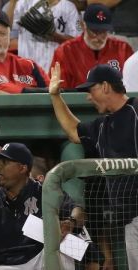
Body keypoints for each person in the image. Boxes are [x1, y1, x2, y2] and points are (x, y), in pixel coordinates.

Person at [49, 62, 138, 269]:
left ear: (105, 86)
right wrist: (55, 96)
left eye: (91, 90)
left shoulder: (136, 110)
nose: (88, 96)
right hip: (130, 220)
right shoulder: (102, 126)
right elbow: (73, 131)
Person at [50, 4, 133, 90]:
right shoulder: (65, 51)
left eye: (103, 31)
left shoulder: (123, 49)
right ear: (83, 25)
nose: (98, 37)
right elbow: (58, 90)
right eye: (94, 31)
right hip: (76, 102)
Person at [11, 0, 80, 72]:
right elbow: (7, 26)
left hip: (53, 69)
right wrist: (12, 3)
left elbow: (76, 43)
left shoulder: (69, 8)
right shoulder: (24, 3)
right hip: (26, 68)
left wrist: (54, 36)